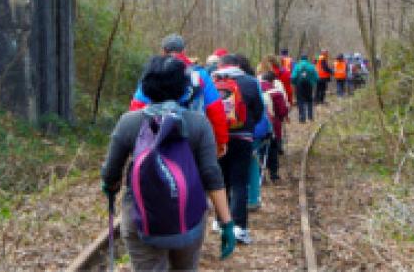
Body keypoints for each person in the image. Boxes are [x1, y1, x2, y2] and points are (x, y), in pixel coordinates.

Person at [102, 56, 235, 271]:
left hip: (139, 217)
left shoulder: (129, 122)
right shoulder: (199, 124)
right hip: (189, 217)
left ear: (145, 89)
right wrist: (226, 222)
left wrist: (110, 186)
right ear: (184, 90)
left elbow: (110, 173)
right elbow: (212, 176)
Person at [129, 34, 229, 157]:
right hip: (193, 139)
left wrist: (135, 140)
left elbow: (137, 106)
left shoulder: (153, 74)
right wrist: (220, 141)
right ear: (184, 51)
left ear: (163, 51)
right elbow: (215, 109)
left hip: (156, 137)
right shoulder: (200, 75)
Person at [212, 54, 264, 244]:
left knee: (221, 181)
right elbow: (259, 111)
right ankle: (239, 228)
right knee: (239, 182)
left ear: (222, 65)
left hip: (218, 138)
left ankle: (219, 222)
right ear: (237, 65)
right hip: (242, 138)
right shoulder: (250, 82)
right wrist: (248, 126)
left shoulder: (212, 81)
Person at [258, 70, 289, 181]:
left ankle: (260, 175)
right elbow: (282, 111)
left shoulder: (256, 88)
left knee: (258, 150)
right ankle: (274, 174)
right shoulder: (276, 92)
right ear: (273, 81)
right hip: (273, 125)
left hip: (256, 126)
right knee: (272, 149)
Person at [291, 55, 318, 123]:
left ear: (301, 59)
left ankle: (302, 118)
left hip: (299, 85)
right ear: (307, 59)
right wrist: (313, 82)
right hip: (309, 85)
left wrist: (294, 83)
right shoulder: (311, 66)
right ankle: (310, 117)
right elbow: (316, 77)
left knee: (300, 101)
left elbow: (293, 77)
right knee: (309, 100)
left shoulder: (297, 66)